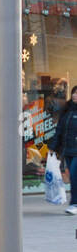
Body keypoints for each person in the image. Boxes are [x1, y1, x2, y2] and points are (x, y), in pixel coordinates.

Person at [52, 86, 77, 216]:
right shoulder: (66, 111)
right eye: (73, 93)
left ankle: (74, 203)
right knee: (73, 177)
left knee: (73, 176)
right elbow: (59, 131)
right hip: (67, 150)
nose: (74, 96)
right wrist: (53, 147)